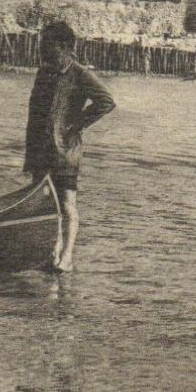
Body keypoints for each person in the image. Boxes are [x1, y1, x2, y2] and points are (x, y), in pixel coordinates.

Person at [24, 21, 116, 272]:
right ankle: (52, 252)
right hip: (41, 149)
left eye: (47, 43)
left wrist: (77, 123)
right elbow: (35, 113)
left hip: (65, 151)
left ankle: (67, 257)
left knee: (66, 203)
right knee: (42, 202)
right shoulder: (44, 72)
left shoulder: (79, 73)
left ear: (63, 46)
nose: (42, 47)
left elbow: (106, 102)